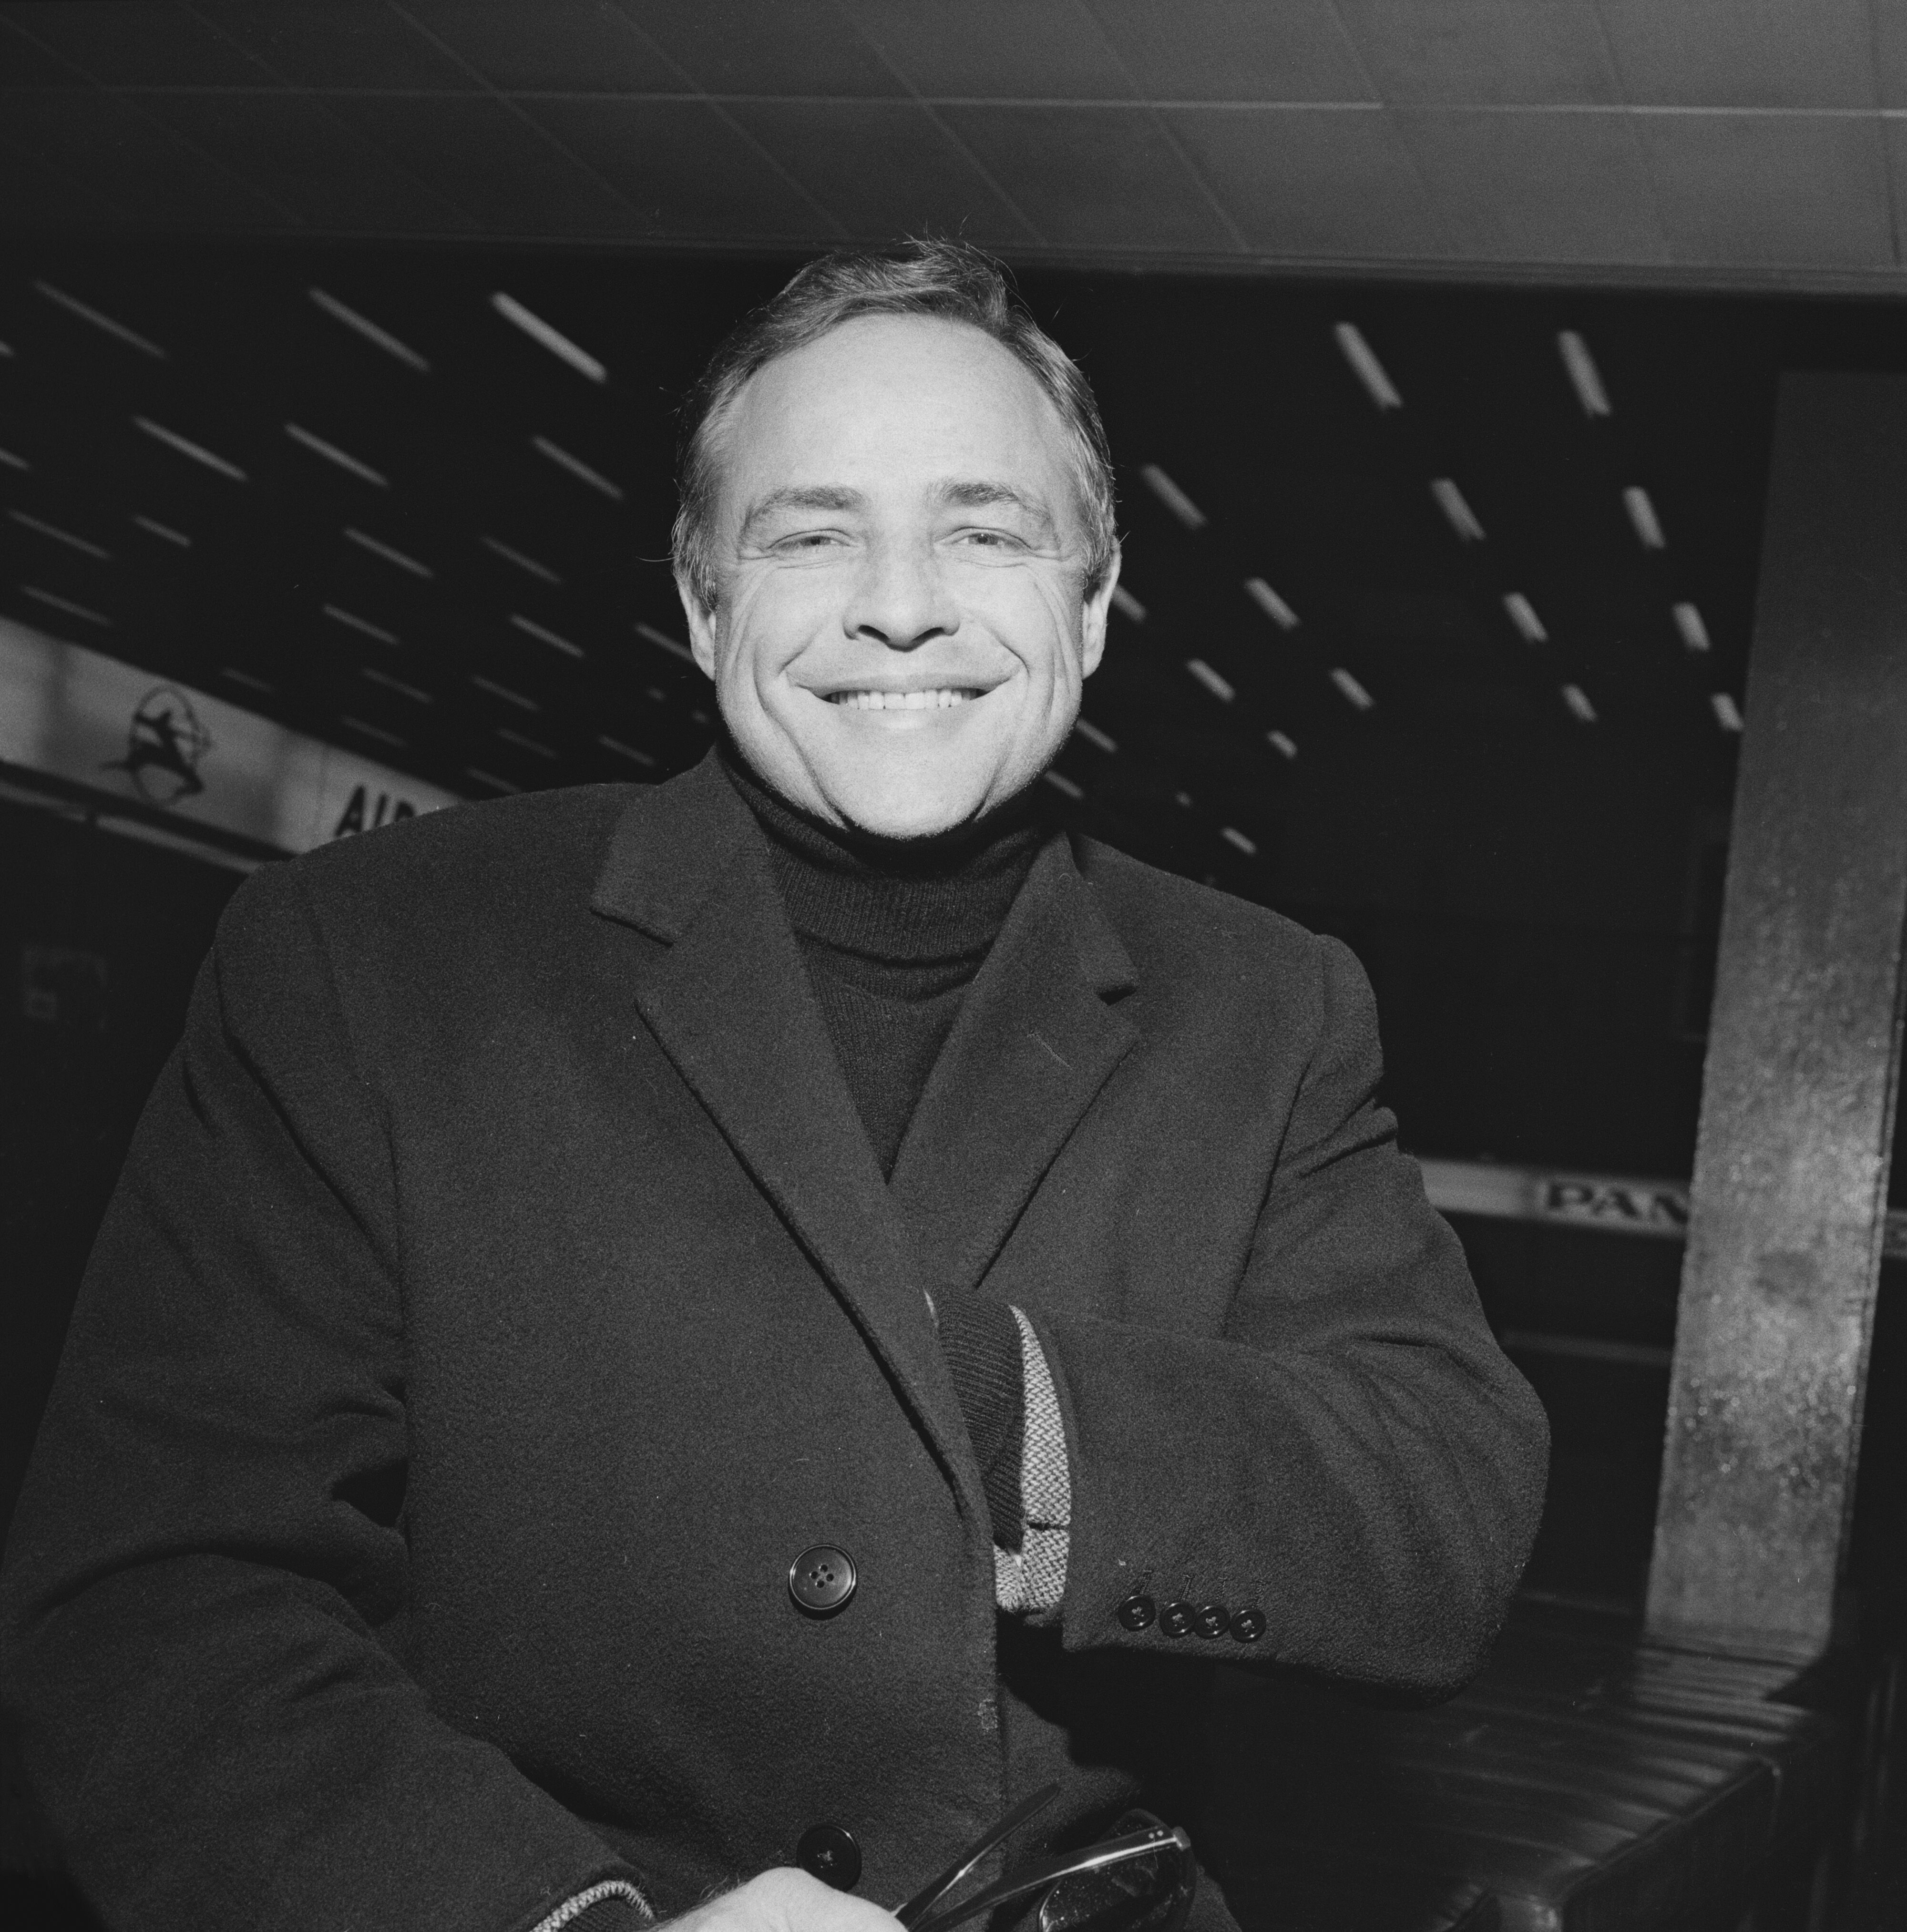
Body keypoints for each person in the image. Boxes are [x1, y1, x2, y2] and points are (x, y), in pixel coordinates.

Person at [0, 240, 1547, 1932]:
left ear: (1092, 606)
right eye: (812, 534)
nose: (902, 601)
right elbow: (156, 1601)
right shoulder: (372, 960)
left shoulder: (1262, 1003)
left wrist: (1005, 1421)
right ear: (702, 602)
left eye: (985, 529)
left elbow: (1442, 1512)